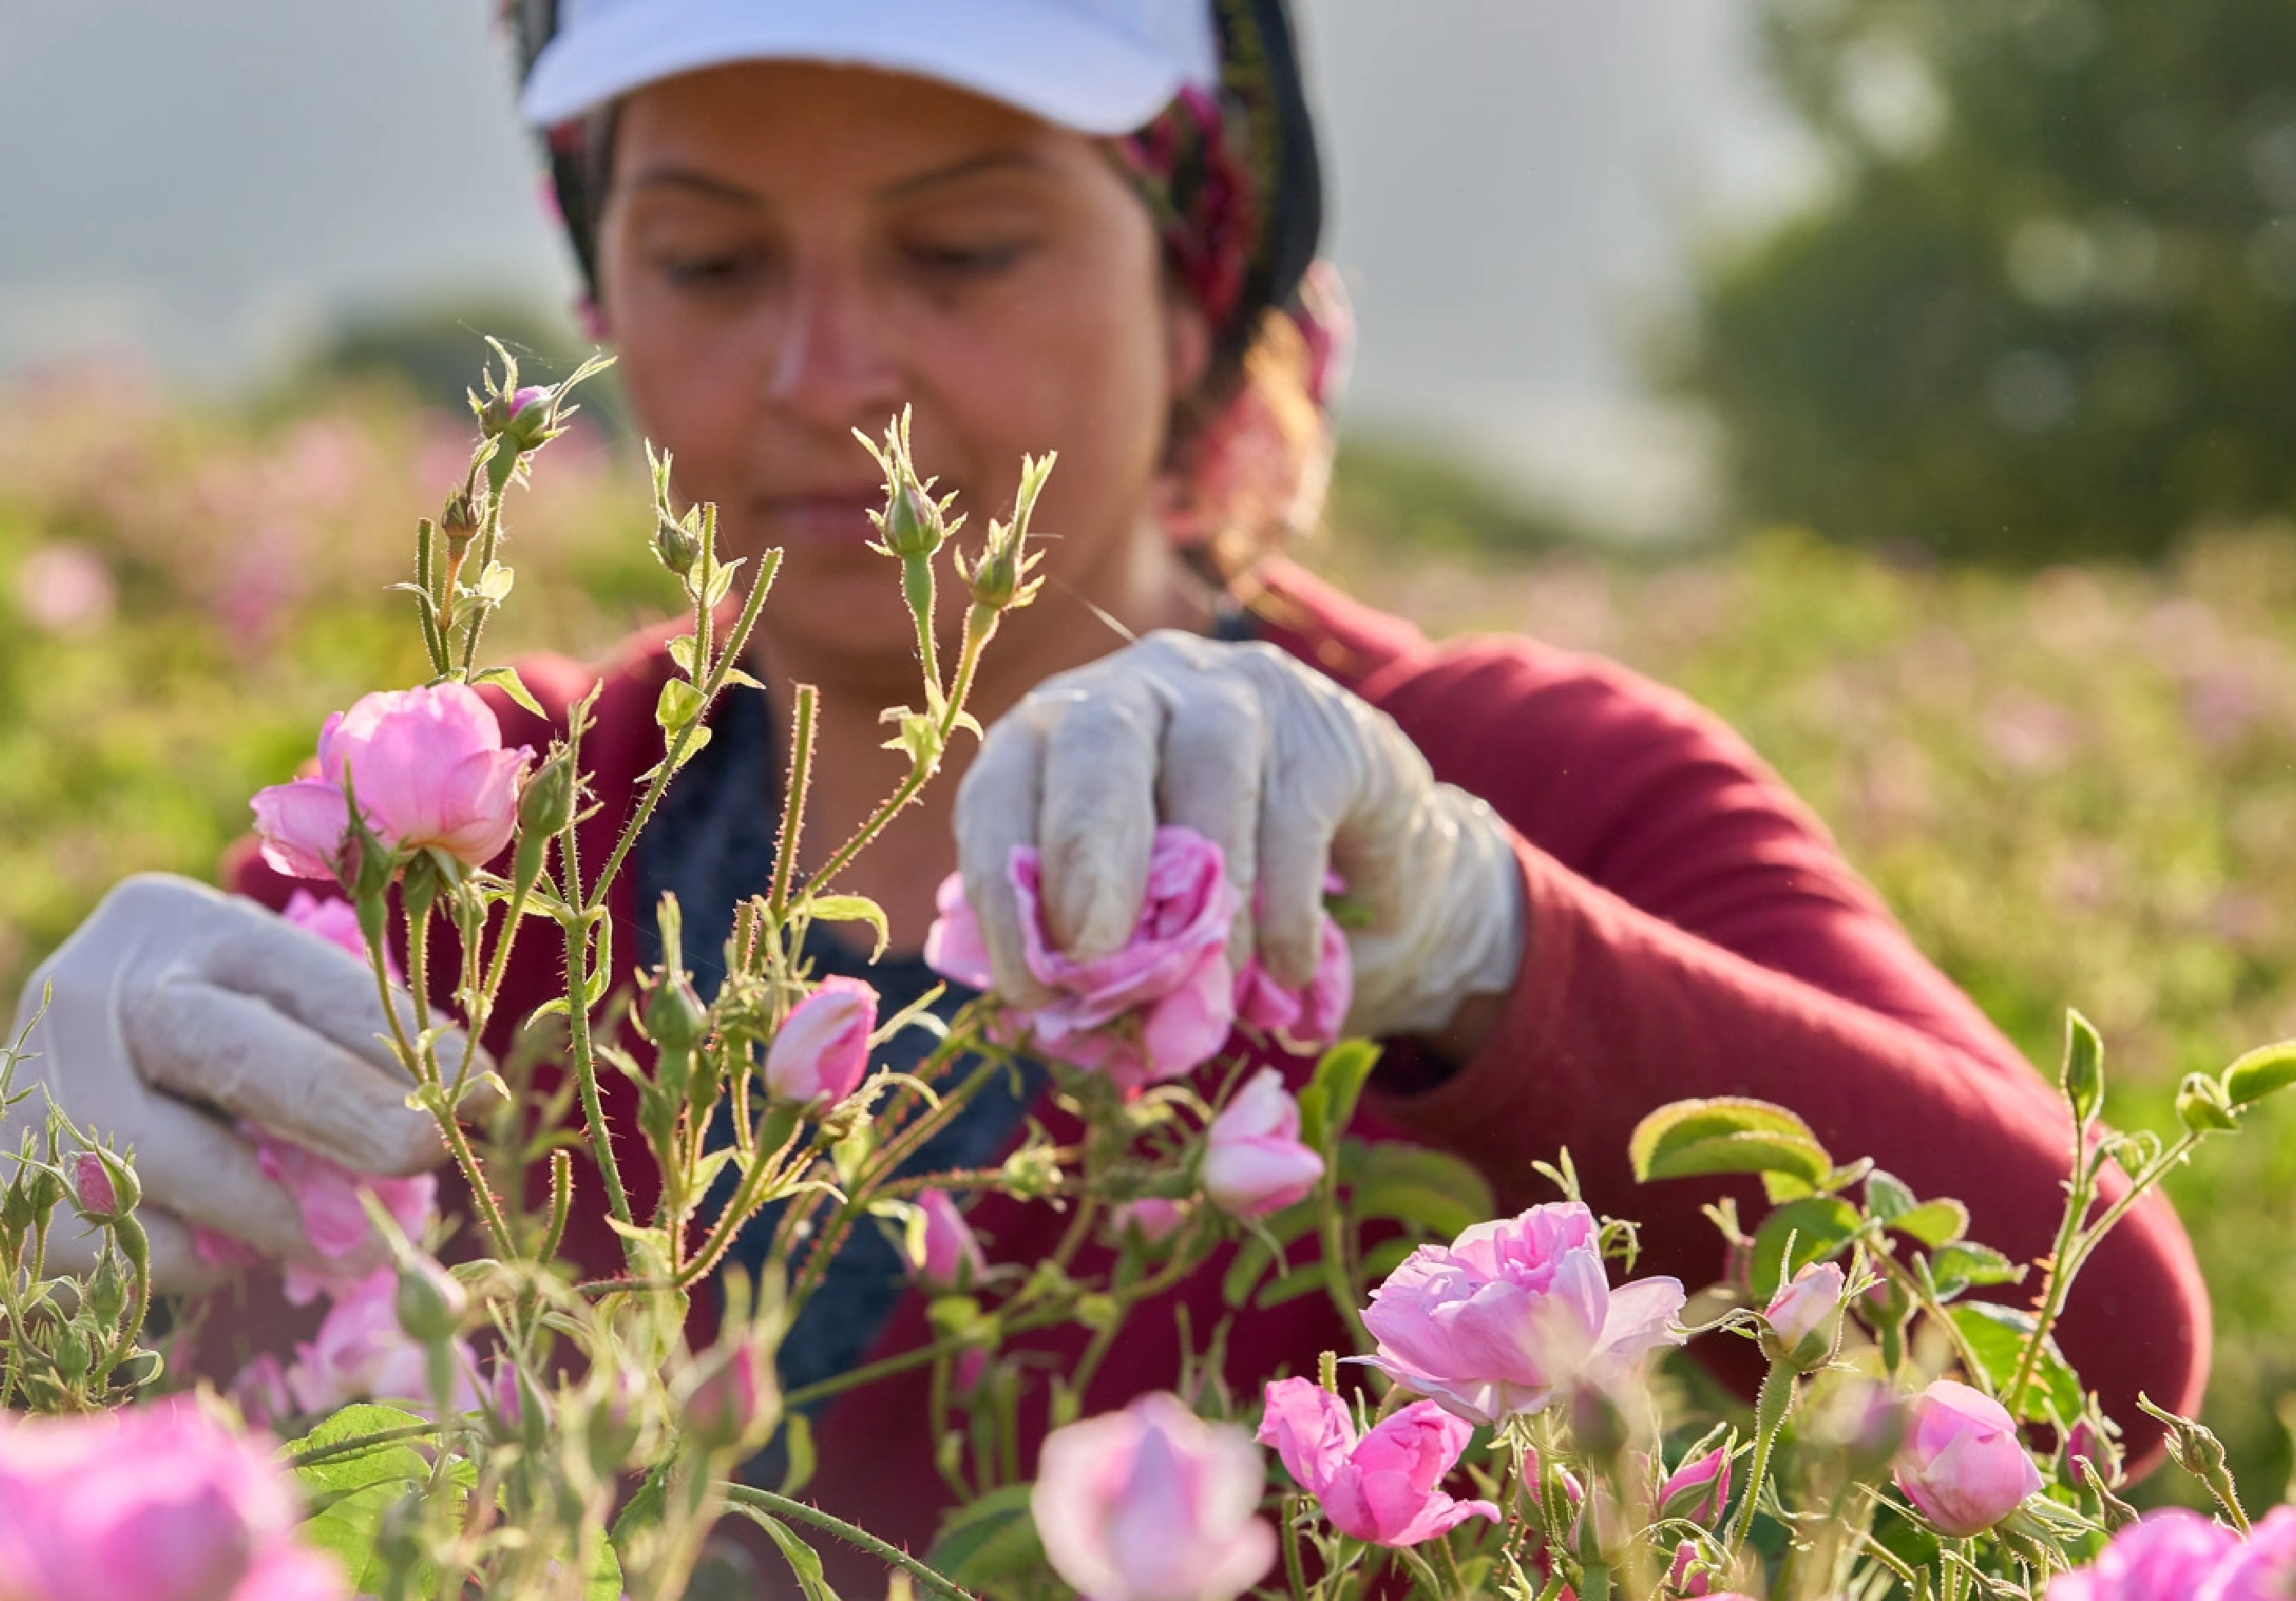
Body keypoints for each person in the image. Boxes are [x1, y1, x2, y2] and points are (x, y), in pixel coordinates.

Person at [9, 0, 2207, 1581]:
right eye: (705, 261)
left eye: (964, 251)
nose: (824, 370)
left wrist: (1480, 949)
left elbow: (2105, 1354)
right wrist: (64, 1270)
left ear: (1199, 279)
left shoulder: (1530, 779)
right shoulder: (479, 842)